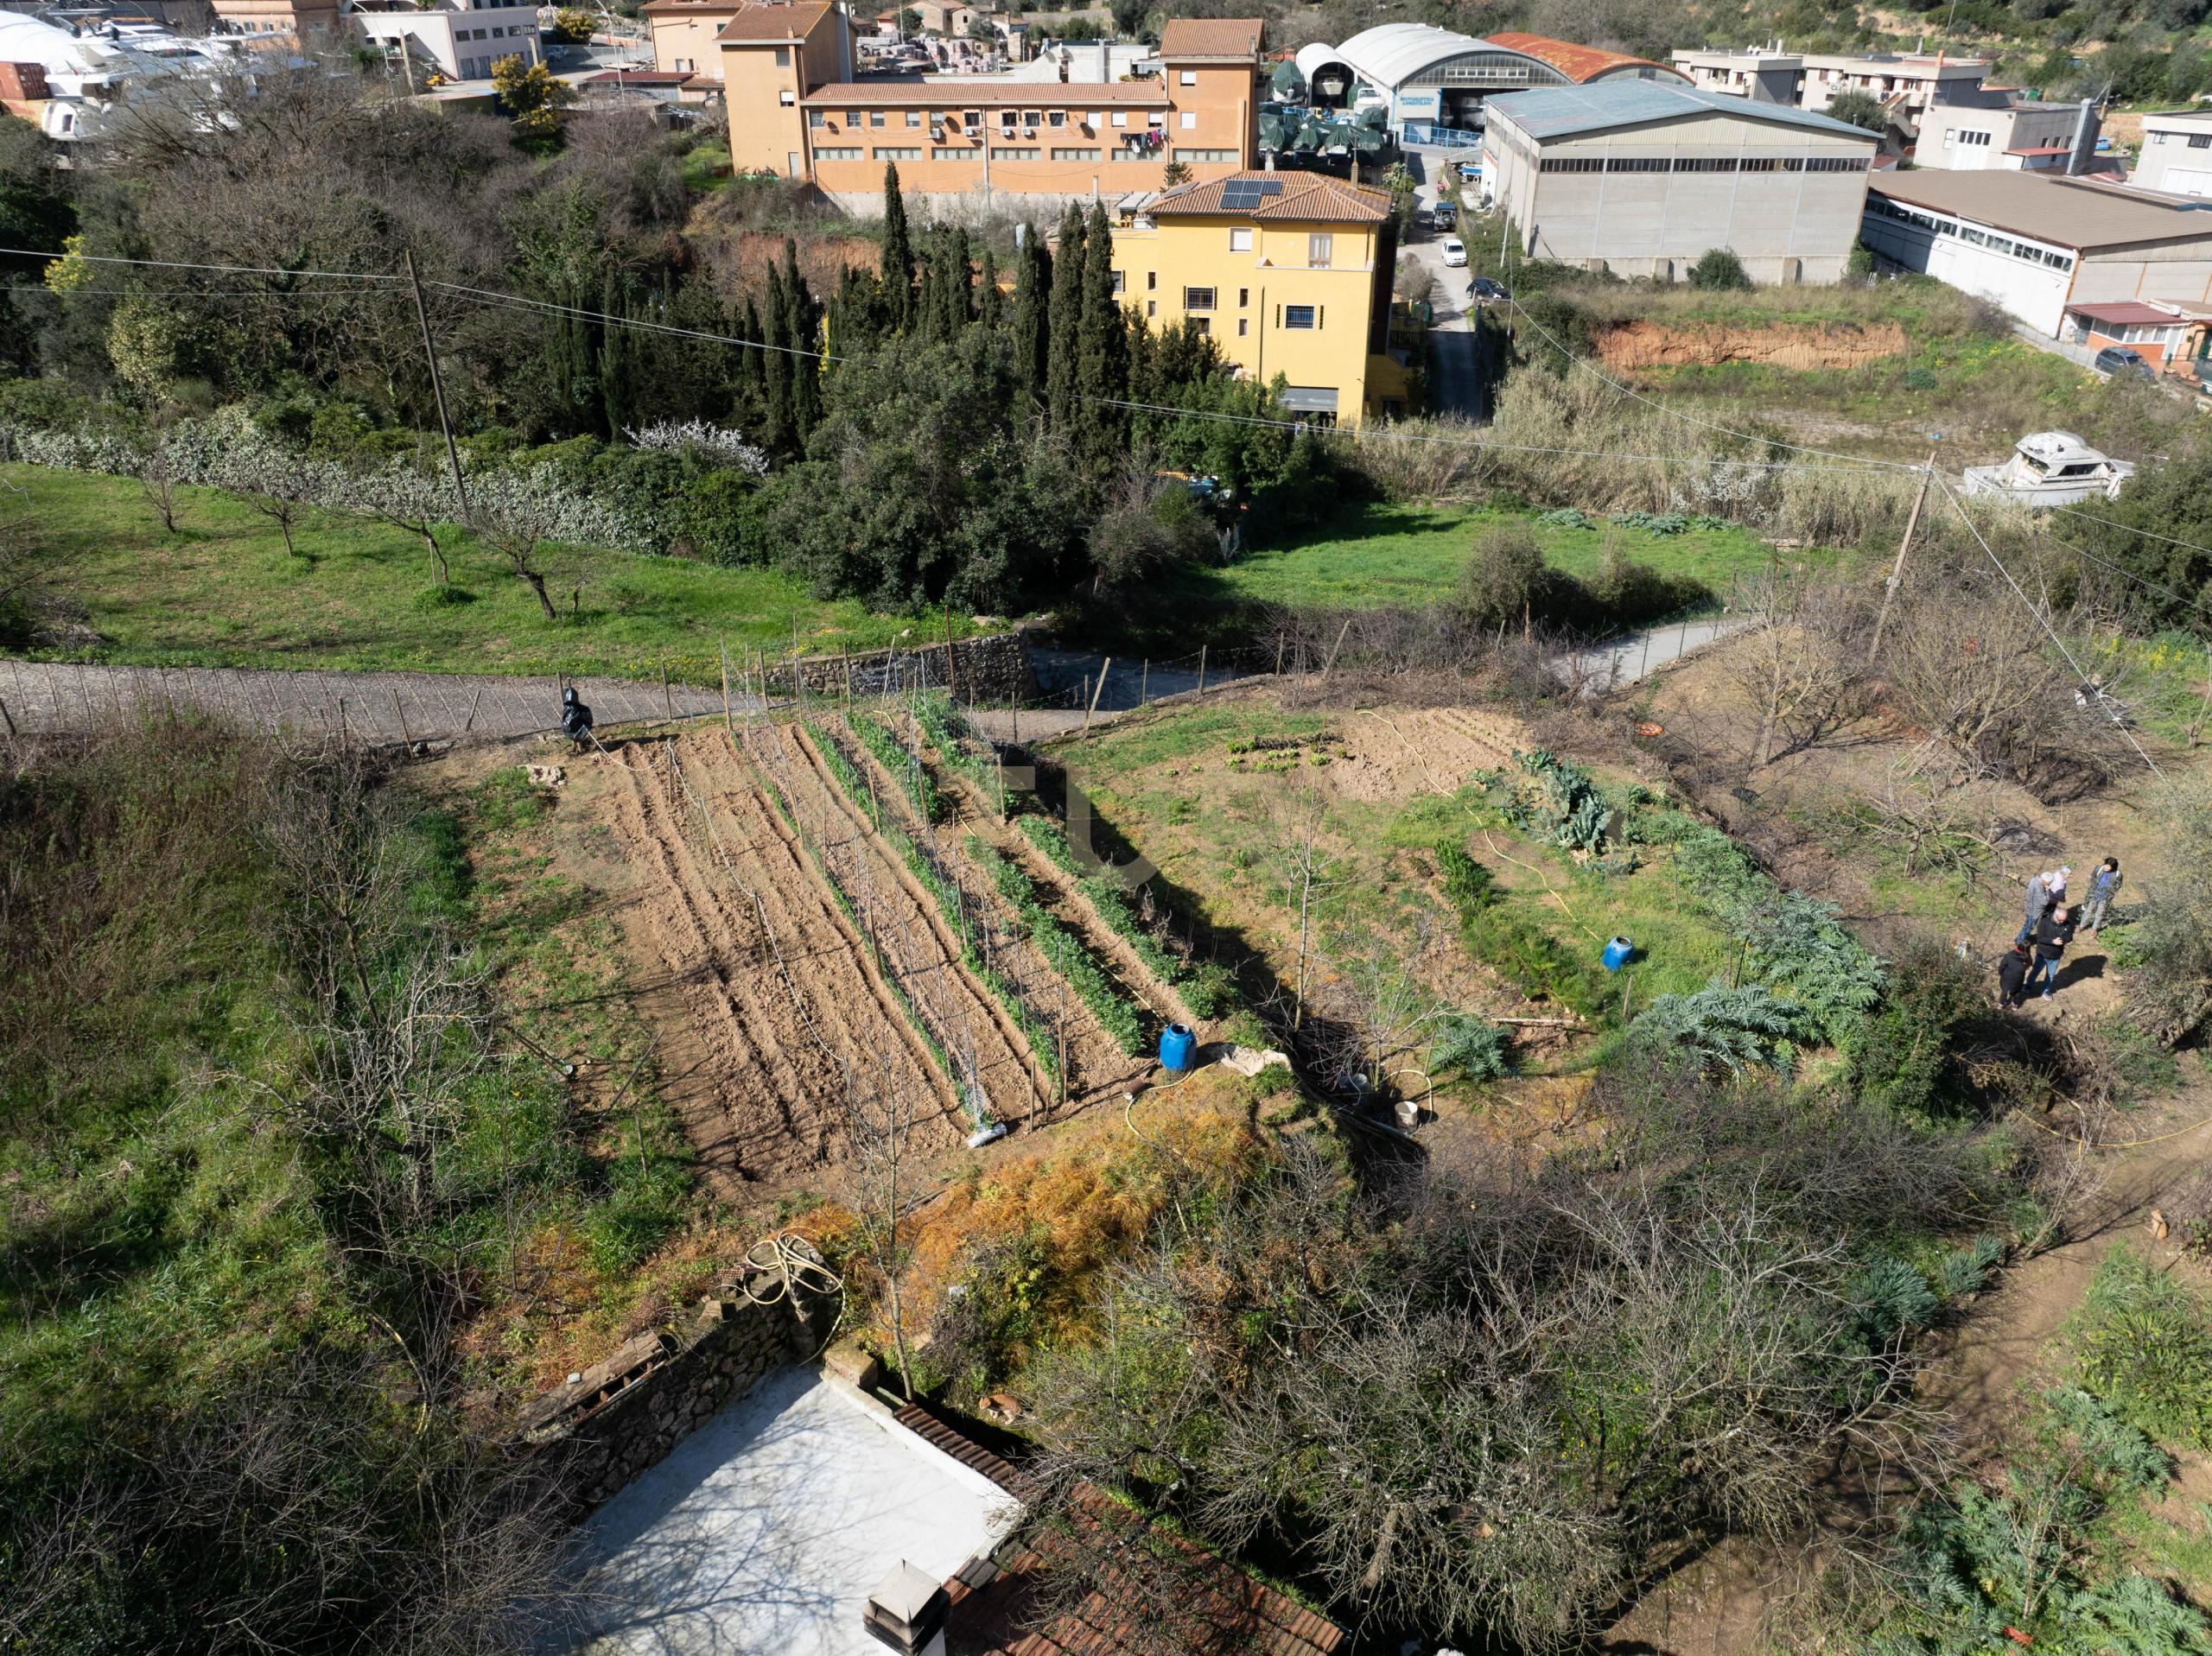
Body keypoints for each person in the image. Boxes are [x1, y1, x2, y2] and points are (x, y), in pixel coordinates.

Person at [2024, 903, 2077, 1000]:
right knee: (2035, 971)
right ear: (2055, 916)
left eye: (2064, 920)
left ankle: (2045, 990)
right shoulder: (2044, 922)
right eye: (2060, 920)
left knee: (2051, 975)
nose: (2062, 922)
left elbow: (2069, 936)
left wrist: (2065, 940)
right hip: (2042, 953)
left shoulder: (2067, 924)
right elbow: (2039, 938)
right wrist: (2053, 941)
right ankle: (2028, 986)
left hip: (2056, 955)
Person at [2018, 866, 2070, 945]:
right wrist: (2048, 891)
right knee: (2029, 926)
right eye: (2049, 883)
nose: (2049, 884)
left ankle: (2022, 938)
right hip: (2034, 911)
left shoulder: (2034, 880)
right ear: (2045, 881)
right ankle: (2020, 941)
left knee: (2027, 925)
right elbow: (2045, 902)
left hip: (2030, 906)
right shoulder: (2039, 888)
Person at [2081, 857, 2122, 934]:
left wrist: (2111, 891)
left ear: (2113, 867)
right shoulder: (2099, 869)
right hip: (2094, 895)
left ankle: (2094, 930)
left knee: (2099, 914)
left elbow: (2119, 884)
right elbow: (2093, 878)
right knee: (2088, 911)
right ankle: (2081, 926)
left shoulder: (2117, 874)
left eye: (2108, 866)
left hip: (2105, 898)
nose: (2106, 867)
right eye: (2105, 865)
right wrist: (2092, 890)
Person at [1997, 939, 2032, 1008]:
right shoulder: (2027, 959)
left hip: (2006, 978)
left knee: (2004, 991)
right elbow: (2027, 966)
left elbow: (2002, 965)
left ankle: (2001, 1004)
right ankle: (2014, 1005)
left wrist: (2000, 973)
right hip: (2018, 980)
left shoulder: (2010, 955)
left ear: (2019, 946)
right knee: (2016, 992)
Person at [560, 685, 594, 751]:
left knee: (578, 738)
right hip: (572, 728)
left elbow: (586, 716)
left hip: (577, 728)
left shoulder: (578, 709)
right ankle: (575, 748)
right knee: (575, 737)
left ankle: (579, 750)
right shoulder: (568, 709)